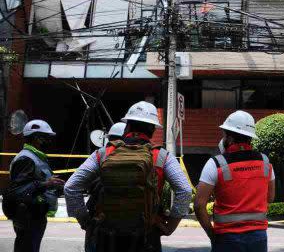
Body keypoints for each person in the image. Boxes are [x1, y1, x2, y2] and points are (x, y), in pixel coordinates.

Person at [64, 101, 192, 252]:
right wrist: (170, 225)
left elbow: (71, 187)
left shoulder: (104, 153)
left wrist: (86, 222)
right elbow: (184, 190)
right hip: (146, 236)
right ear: (152, 130)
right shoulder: (162, 157)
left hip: (107, 236)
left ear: (127, 126)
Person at [194, 110, 275, 252]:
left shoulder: (216, 163)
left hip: (226, 239)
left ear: (230, 139)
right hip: (258, 238)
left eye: (224, 134)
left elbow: (199, 205)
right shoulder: (265, 162)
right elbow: (270, 197)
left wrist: (212, 235)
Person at [3, 120, 65, 252]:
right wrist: (47, 184)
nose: (49, 141)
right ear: (37, 138)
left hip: (34, 214)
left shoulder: (35, 157)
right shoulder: (26, 159)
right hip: (28, 216)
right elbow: (18, 190)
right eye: (46, 138)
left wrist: (53, 186)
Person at [83, 122, 126, 252]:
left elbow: (72, 187)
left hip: (99, 220)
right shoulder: (139, 157)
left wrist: (83, 220)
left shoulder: (99, 155)